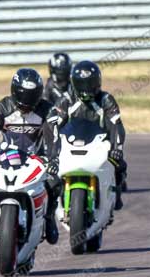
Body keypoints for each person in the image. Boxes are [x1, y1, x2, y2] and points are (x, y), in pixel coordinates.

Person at [0, 68, 62, 245]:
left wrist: (54, 159)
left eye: (32, 98)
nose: (27, 105)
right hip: (5, 156)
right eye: (23, 99)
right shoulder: (1, 108)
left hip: (36, 158)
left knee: (54, 182)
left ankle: (49, 217)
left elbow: (53, 137)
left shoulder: (48, 110)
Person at [53, 60, 127, 210]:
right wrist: (52, 150)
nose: (86, 89)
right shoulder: (66, 100)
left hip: (99, 145)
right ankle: (50, 209)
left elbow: (116, 125)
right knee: (49, 171)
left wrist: (116, 148)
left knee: (120, 164)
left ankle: (117, 194)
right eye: (82, 84)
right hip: (71, 144)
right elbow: (53, 125)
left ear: (97, 82)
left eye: (90, 84)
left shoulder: (106, 100)